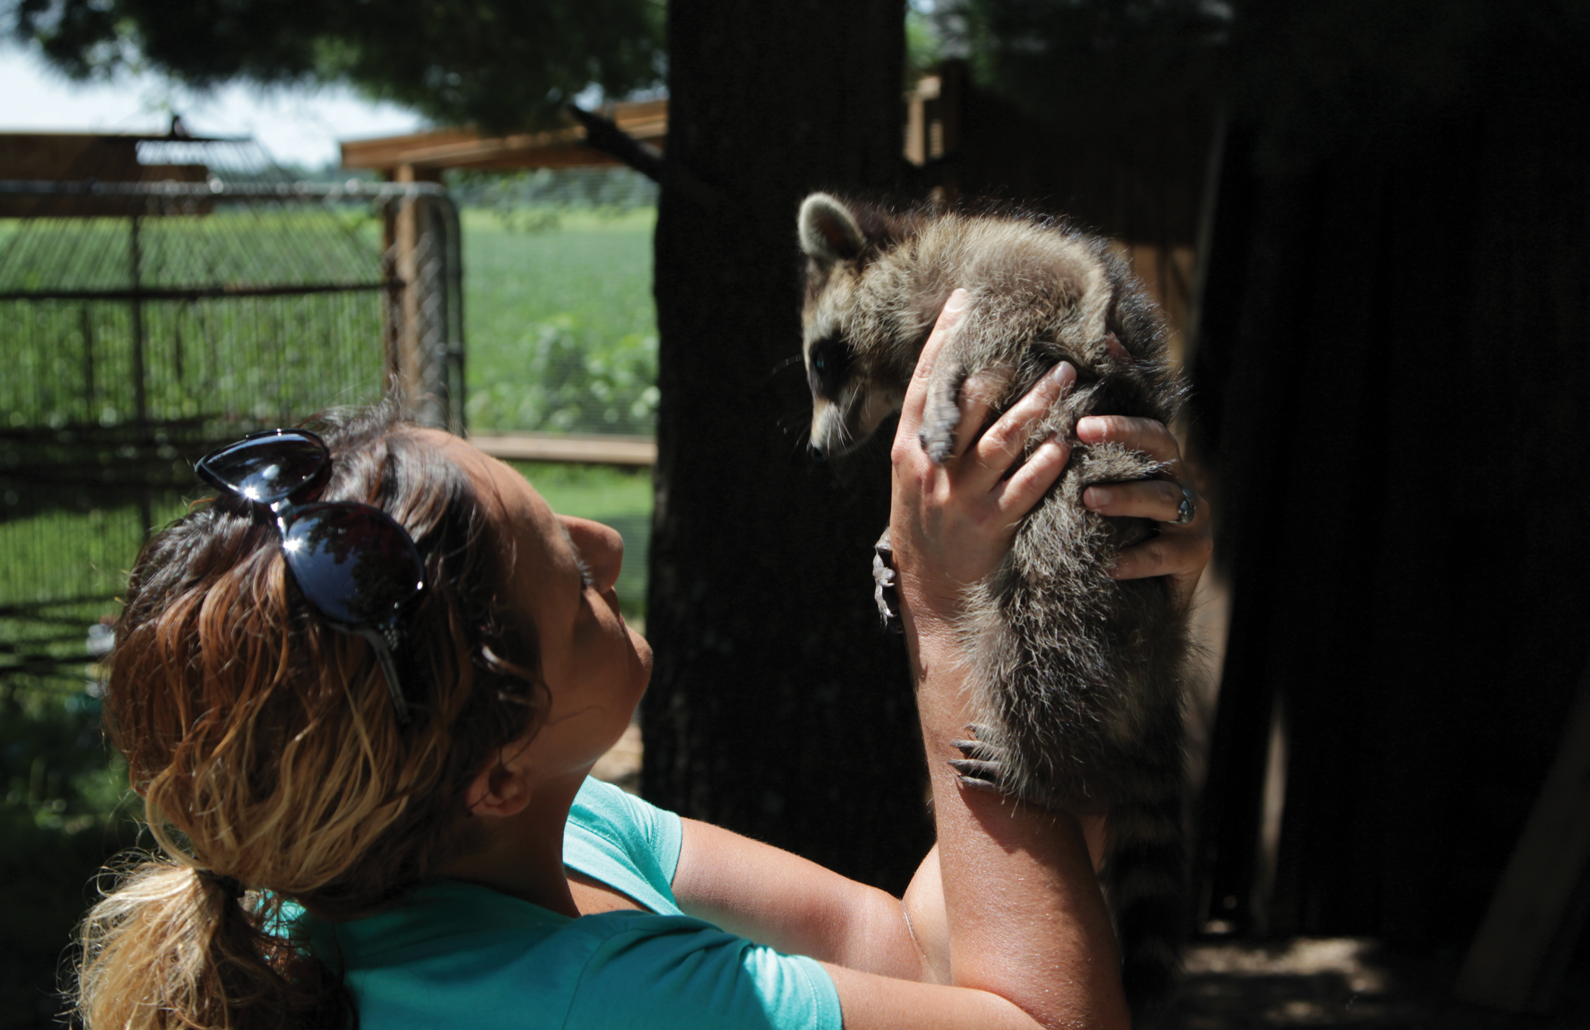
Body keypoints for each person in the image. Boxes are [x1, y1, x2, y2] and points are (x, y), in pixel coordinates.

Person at [74, 290, 1210, 1030]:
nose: (608, 547)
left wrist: (1078, 620)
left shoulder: (513, 841)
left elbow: (915, 949)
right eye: (567, 584)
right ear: (496, 769)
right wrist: (953, 613)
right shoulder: (594, 997)